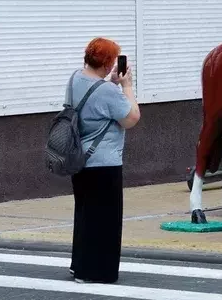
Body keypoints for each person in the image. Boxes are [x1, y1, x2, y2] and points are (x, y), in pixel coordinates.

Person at [67, 37, 141, 284]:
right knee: (105, 221)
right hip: (104, 163)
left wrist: (110, 86)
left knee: (85, 214)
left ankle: (79, 266)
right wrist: (127, 86)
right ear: (109, 65)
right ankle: (95, 272)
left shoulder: (75, 78)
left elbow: (91, 101)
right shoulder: (109, 91)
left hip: (79, 159)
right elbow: (131, 118)